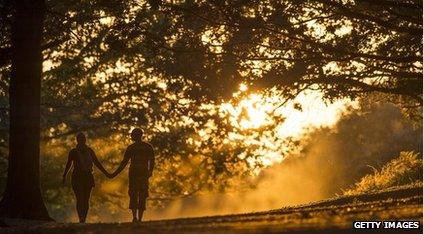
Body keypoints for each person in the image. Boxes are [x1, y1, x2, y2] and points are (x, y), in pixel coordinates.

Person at [62, 133, 110, 223]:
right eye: (80, 139)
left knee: (86, 199)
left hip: (87, 177)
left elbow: (97, 163)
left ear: (85, 140)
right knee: (80, 198)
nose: (82, 140)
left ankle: (83, 218)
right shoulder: (73, 152)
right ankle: (81, 218)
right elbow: (69, 164)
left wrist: (106, 173)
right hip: (77, 177)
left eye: (83, 139)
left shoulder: (90, 151)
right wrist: (64, 175)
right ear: (77, 140)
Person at [110, 128, 155, 222]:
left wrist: (114, 174)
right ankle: (138, 218)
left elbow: (124, 163)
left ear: (137, 135)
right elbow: (152, 161)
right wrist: (150, 171)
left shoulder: (132, 148)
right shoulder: (147, 147)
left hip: (136, 174)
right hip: (141, 174)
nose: (131, 136)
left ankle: (136, 217)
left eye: (133, 134)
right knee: (140, 194)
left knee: (135, 194)